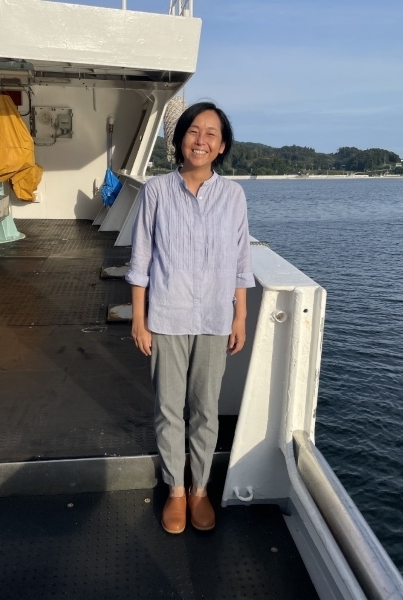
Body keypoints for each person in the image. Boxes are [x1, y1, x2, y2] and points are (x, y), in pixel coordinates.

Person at [125, 101, 255, 534]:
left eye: (211, 134)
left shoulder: (233, 195)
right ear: (180, 140)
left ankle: (200, 489)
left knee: (206, 410)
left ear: (221, 147)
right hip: (167, 315)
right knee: (168, 409)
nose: (201, 140)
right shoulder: (157, 191)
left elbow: (240, 261)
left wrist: (240, 316)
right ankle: (175, 491)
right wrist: (139, 319)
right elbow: (141, 259)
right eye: (193, 131)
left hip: (216, 318)